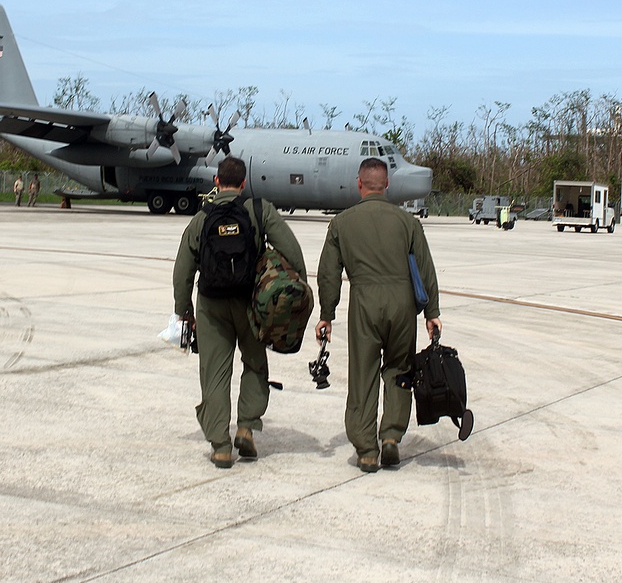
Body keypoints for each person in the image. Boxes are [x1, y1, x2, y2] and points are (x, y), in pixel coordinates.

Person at [173, 156, 307, 469]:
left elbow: (182, 270)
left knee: (215, 374)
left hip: (211, 306)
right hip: (251, 303)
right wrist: (288, 290)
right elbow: (294, 255)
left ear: (216, 182)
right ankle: (246, 427)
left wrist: (184, 310)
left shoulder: (202, 217)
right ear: (244, 183)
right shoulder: (260, 211)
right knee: (255, 365)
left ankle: (220, 445)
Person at [315, 157, 441, 473]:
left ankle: (367, 450)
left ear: (359, 184)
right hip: (402, 305)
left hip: (364, 302)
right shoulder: (408, 222)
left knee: (363, 374)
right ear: (388, 185)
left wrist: (326, 315)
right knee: (400, 369)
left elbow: (328, 273)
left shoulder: (341, 223)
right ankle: (391, 439)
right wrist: (432, 312)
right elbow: (425, 268)